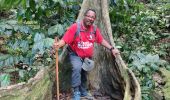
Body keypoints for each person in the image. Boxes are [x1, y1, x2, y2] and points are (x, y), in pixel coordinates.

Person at [53, 9, 119, 100]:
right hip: (75, 54)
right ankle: (76, 92)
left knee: (84, 73)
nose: (90, 19)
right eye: (89, 16)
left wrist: (112, 48)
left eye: (92, 17)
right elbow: (65, 40)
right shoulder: (76, 27)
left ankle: (83, 92)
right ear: (84, 16)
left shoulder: (94, 30)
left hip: (87, 57)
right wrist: (58, 45)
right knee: (77, 68)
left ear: (94, 19)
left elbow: (101, 40)